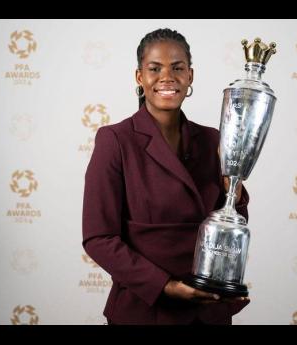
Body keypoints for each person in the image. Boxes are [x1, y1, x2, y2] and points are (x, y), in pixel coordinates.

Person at [82, 28, 250, 325]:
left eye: (177, 68)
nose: (167, 77)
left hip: (207, 311)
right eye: (155, 68)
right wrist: (165, 286)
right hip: (146, 310)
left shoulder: (213, 140)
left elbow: (231, 220)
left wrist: (236, 197)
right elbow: (99, 238)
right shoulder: (115, 140)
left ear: (191, 76)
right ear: (139, 77)